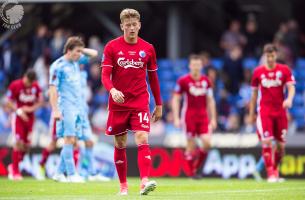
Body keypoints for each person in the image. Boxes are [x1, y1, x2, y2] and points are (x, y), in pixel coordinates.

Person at [101, 8, 162, 195]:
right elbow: (105, 75)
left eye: (134, 25)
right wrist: (112, 90)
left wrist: (159, 104)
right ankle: (123, 186)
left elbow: (153, 78)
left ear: (140, 25)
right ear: (122, 27)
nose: (132, 28)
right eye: (128, 25)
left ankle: (144, 182)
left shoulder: (148, 48)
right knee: (120, 144)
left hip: (140, 101)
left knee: (142, 137)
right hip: (118, 103)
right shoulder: (111, 47)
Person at [49, 36, 98, 183]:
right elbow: (52, 89)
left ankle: (58, 173)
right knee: (69, 139)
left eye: (80, 52)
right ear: (68, 51)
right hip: (66, 107)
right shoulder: (57, 66)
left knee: (74, 139)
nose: (79, 55)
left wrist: (81, 49)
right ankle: (71, 174)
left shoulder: (76, 61)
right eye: (76, 52)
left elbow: (94, 54)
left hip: (78, 107)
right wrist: (56, 110)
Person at [249, 43, 295, 182]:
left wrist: (289, 99)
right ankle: (271, 174)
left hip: (280, 112)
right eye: (267, 56)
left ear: (276, 55)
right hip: (265, 112)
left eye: (272, 55)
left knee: (281, 147)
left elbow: (291, 87)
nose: (270, 58)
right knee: (267, 141)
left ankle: (275, 171)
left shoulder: (284, 70)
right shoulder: (258, 72)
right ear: (264, 56)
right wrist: (251, 114)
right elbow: (254, 95)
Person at [172, 54, 217, 178]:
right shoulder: (183, 81)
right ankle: (193, 173)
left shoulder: (206, 81)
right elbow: (176, 98)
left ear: (201, 66)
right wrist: (176, 118)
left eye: (198, 65)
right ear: (190, 66)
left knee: (207, 143)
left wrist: (213, 118)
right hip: (189, 116)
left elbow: (210, 100)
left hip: (203, 116)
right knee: (191, 146)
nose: (196, 67)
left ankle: (195, 167)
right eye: (194, 65)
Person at [6, 69, 43, 180]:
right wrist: (19, 111)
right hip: (18, 118)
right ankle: (15, 172)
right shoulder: (15, 85)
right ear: (24, 77)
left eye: (31, 83)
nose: (29, 85)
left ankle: (12, 166)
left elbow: (40, 102)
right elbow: (8, 102)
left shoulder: (36, 87)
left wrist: (30, 108)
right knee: (18, 143)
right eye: (28, 82)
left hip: (30, 119)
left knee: (26, 146)